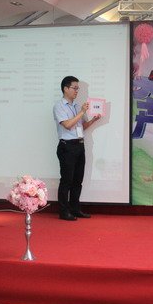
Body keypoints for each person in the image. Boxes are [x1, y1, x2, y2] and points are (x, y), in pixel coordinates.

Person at [53, 76, 101, 221]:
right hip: (67, 147)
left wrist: (93, 120)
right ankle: (64, 211)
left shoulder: (76, 105)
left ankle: (75, 209)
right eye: (74, 88)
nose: (77, 91)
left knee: (77, 181)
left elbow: (82, 126)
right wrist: (81, 112)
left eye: (77, 88)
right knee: (66, 181)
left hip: (79, 145)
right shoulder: (59, 106)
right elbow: (67, 125)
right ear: (65, 88)